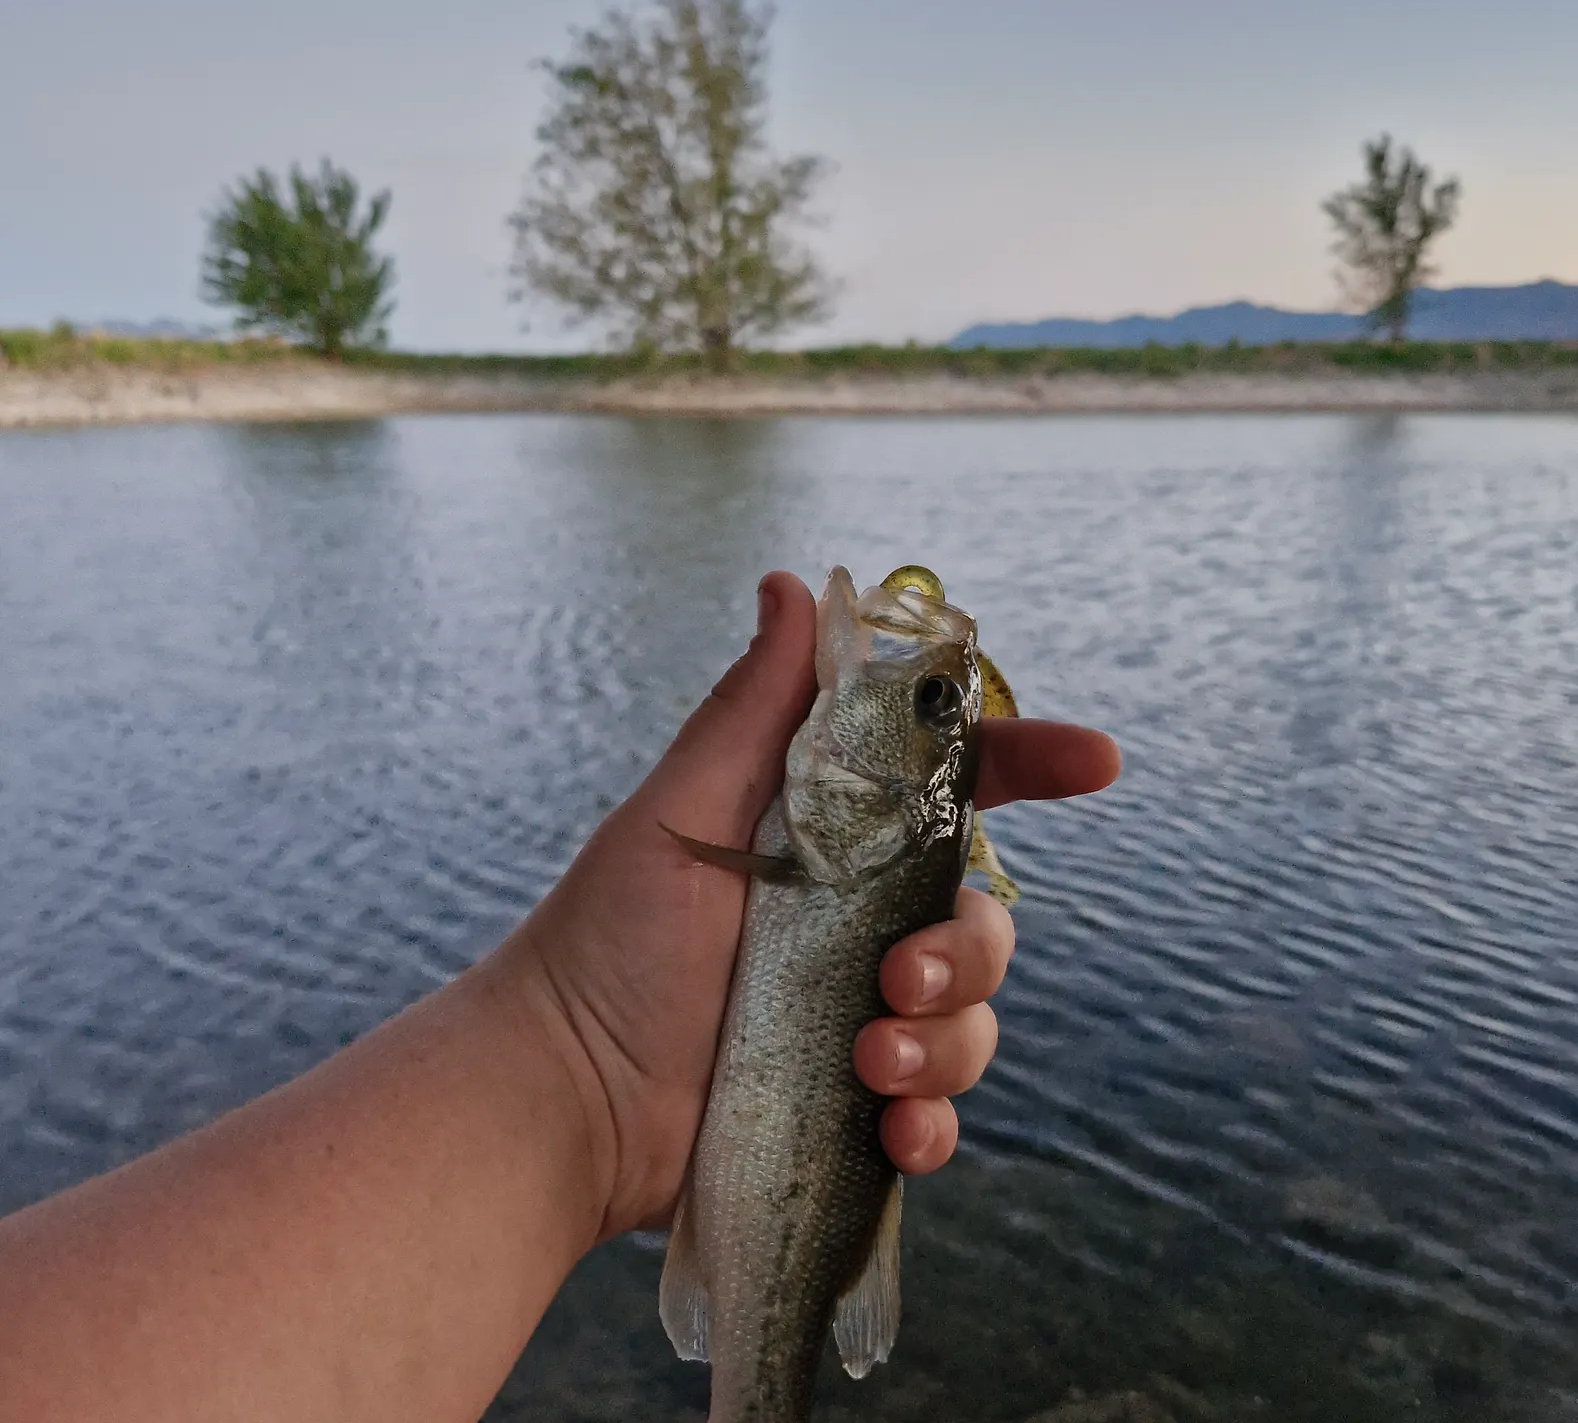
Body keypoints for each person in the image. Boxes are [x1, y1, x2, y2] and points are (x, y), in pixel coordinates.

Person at [0, 572, 1119, 1422]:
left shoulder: (833, 820)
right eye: (938, 700)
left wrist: (578, 1068)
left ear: (892, 787)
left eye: (924, 702)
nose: (921, 686)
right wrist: (577, 1055)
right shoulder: (835, 819)